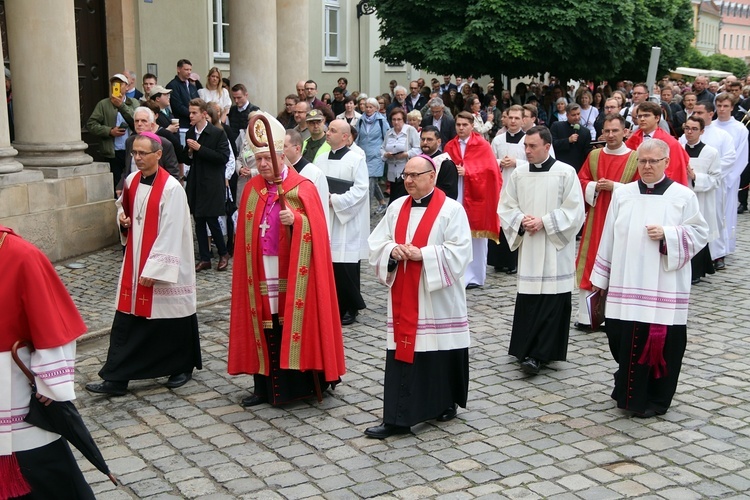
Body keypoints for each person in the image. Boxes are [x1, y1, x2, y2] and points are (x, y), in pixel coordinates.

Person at [228, 113, 345, 407]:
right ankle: (263, 387)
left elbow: (317, 230)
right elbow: (245, 235)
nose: (264, 165)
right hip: (262, 271)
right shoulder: (252, 190)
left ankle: (300, 386)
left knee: (289, 322)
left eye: (269, 158)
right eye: (259, 160)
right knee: (264, 323)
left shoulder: (301, 187)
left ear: (284, 156)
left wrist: (297, 220)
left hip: (293, 274)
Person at [591, 139, 709, 418]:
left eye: (652, 161)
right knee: (620, 338)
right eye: (641, 161)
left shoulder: (683, 196)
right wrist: (600, 278)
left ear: (666, 163)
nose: (646, 167)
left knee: (662, 346)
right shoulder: (624, 194)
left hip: (663, 285)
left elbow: (700, 234)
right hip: (625, 283)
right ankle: (626, 392)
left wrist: (669, 235)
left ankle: (655, 399)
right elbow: (608, 235)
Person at [86, 133, 201, 397]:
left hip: (161, 263)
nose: (137, 158)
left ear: (158, 155)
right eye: (134, 153)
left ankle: (181, 366)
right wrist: (123, 221)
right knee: (127, 319)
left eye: (142, 153)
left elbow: (172, 230)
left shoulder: (172, 188)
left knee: (172, 317)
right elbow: (123, 208)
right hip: (135, 262)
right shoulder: (131, 180)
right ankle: (116, 378)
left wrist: (156, 269)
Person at [365, 155, 472, 439]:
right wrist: (393, 251)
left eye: (414, 175)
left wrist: (422, 254)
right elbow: (377, 242)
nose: (408, 181)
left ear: (432, 176)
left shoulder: (451, 210)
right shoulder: (397, 207)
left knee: (440, 350)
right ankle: (398, 418)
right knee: (405, 353)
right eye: (405, 176)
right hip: (405, 294)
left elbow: (461, 252)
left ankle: (444, 403)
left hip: (437, 296)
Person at [1, 226, 94, 499]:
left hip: (12, 391)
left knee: (44, 477)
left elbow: (54, 320)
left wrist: (50, 383)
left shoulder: (22, 256)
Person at [498, 126, 585, 375]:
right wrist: (520, 220)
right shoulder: (519, 173)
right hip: (530, 245)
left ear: (547, 147)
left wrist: (544, 222)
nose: (527, 150)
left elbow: (575, 211)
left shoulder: (565, 173)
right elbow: (506, 205)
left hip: (555, 247)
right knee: (529, 298)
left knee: (551, 299)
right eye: (525, 146)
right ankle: (524, 349)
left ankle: (541, 354)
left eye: (532, 146)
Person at [574, 114, 639, 329]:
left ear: (625, 132)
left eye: (615, 131)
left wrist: (615, 187)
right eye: (607, 131)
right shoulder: (594, 156)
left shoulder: (635, 158)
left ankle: (612, 316)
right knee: (590, 261)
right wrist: (593, 187)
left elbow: (641, 189)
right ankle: (586, 316)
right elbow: (581, 181)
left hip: (622, 221)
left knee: (618, 264)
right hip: (596, 217)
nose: (610, 135)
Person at [317, 119, 371, 325]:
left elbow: (360, 190)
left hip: (346, 221)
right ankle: (333, 305)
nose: (327, 133)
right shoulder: (320, 159)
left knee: (346, 266)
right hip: (326, 217)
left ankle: (351, 307)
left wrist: (335, 200)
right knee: (330, 265)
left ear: (345, 137)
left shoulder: (356, 160)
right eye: (328, 129)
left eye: (332, 130)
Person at [444, 111, 502, 289]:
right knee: (455, 233)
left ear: (472, 126)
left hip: (477, 196)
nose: (461, 128)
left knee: (476, 238)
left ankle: (475, 276)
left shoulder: (482, 145)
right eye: (458, 125)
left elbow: (491, 172)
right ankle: (456, 274)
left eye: (464, 125)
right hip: (456, 194)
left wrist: (468, 171)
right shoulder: (450, 146)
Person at [184, 98, 232, 272]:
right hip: (196, 182)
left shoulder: (217, 133)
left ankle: (223, 252)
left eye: (194, 112)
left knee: (212, 219)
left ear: (204, 114)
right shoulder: (190, 132)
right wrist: (189, 152)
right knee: (198, 220)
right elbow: (186, 159)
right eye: (190, 112)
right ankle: (205, 257)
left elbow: (223, 158)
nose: (191, 115)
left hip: (212, 183)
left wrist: (199, 149)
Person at [683, 116, 721, 284]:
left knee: (698, 231)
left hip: (702, 198)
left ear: (702, 131)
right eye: (687, 128)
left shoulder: (711, 152)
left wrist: (695, 176)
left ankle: (697, 271)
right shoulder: (678, 149)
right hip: (683, 198)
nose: (689, 132)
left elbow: (716, 179)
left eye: (694, 129)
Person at [87, 73, 138, 195]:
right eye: (114, 84)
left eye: (120, 84)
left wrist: (121, 106)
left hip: (130, 150)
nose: (117, 86)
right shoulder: (103, 104)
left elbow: (136, 121)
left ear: (126, 87)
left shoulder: (134, 102)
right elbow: (91, 124)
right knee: (116, 184)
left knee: (131, 181)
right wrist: (109, 131)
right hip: (112, 151)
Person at [626, 101, 689, 186]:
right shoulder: (631, 141)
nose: (642, 119)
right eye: (640, 116)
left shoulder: (670, 143)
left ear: (657, 118)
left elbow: (675, 171)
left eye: (646, 115)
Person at [356, 97, 389, 215]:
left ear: (376, 108)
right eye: (367, 106)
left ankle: (366, 211)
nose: (368, 109)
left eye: (371, 107)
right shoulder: (360, 120)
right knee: (371, 181)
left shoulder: (381, 121)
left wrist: (383, 151)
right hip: (363, 154)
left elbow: (387, 137)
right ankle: (382, 203)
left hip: (376, 156)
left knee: (369, 181)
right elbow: (357, 137)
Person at [381, 108, 421, 203]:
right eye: (394, 119)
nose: (396, 122)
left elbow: (418, 149)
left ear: (403, 120)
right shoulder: (389, 132)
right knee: (394, 198)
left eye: (399, 119)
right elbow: (382, 148)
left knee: (403, 198)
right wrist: (386, 154)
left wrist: (406, 154)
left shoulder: (410, 131)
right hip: (392, 171)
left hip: (406, 170)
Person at [165, 59, 199, 128]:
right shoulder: (172, 85)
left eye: (190, 70)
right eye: (186, 69)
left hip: (194, 124)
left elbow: (198, 102)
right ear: (178, 69)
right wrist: (193, 114)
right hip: (182, 125)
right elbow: (177, 106)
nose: (189, 72)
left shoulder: (192, 86)